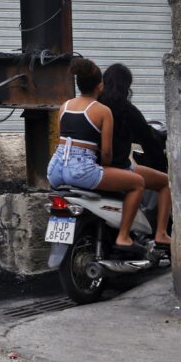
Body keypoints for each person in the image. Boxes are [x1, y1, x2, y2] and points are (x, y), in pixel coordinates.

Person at [47, 57, 145, 250]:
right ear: (100, 85)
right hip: (81, 170)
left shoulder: (64, 106)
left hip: (55, 169)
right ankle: (124, 237)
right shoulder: (102, 111)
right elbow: (107, 152)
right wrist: (106, 167)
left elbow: (63, 140)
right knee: (138, 183)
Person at [99, 63, 172, 246]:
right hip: (117, 169)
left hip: (91, 168)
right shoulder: (126, 110)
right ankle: (161, 234)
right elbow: (148, 139)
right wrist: (160, 161)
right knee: (165, 182)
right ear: (127, 86)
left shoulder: (93, 105)